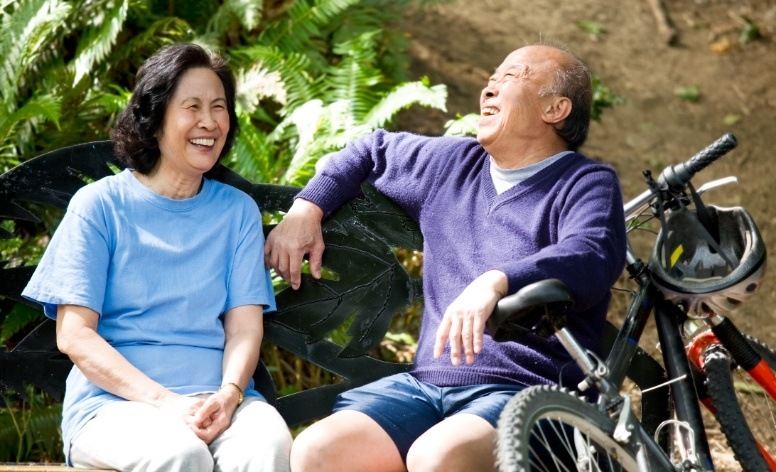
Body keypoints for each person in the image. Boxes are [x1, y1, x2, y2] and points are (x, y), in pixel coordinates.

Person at [264, 42, 627, 471]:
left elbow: (591, 253)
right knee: (318, 450)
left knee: (438, 457)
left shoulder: (586, 183)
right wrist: (308, 208)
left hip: (532, 391)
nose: (490, 86)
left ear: (555, 109)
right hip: (428, 386)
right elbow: (371, 150)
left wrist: (499, 280)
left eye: (512, 76)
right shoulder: (451, 164)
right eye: (492, 77)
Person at [22, 43, 292, 472]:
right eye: (193, 107)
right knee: (179, 454)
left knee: (266, 445)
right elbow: (74, 336)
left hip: (219, 402)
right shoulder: (99, 206)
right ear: (154, 120)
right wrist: (166, 403)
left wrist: (229, 395)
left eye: (219, 107)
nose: (209, 122)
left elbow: (243, 327)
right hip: (114, 407)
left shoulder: (236, 211)